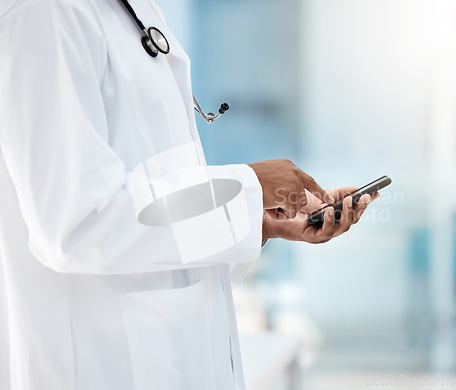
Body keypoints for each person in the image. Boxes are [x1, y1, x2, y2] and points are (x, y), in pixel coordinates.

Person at [0, 0, 374, 389]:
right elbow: (77, 222)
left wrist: (257, 222)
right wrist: (248, 189)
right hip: (103, 366)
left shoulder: (134, 10)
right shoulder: (44, 11)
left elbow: (153, 200)